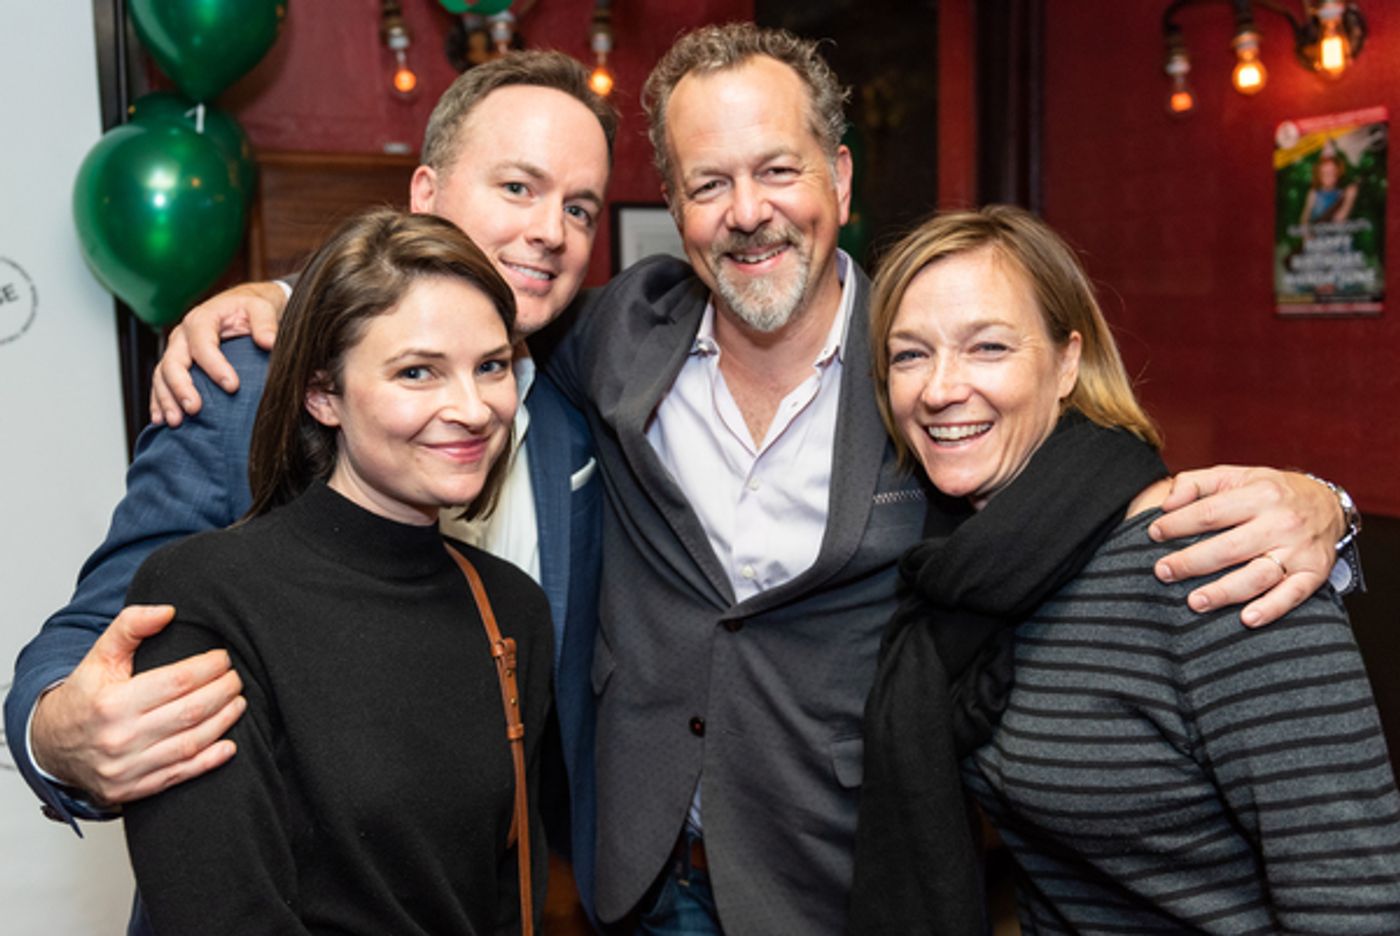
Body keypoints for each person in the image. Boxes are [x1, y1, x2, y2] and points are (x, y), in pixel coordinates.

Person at [119, 24, 1351, 935]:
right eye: (706, 183)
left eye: (776, 171)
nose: (745, 213)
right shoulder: (614, 338)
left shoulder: (920, 372)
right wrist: (282, 303)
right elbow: (442, 315)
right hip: (633, 873)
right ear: (675, 209)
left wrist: (1323, 511)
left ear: (841, 183)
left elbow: (1080, 488)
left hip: (844, 882)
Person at [4, 50, 613, 930]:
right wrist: (58, 734)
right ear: (426, 192)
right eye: (518, 187)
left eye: (581, 207)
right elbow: (109, 626)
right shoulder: (245, 375)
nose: (551, 229)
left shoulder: (573, 403)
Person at [857, 205, 1400, 934]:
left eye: (987, 347)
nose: (939, 388)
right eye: (909, 354)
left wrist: (1332, 504)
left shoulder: (1216, 562)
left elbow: (1355, 903)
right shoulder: (965, 575)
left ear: (1067, 363)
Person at [121, 208, 552, 934]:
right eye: (418, 372)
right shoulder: (205, 595)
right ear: (324, 394)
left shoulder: (510, 608)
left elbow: (507, 899)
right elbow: (221, 913)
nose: (474, 409)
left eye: (492, 366)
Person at [1300, 150, 1359, 233]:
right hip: (1316, 238)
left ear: (1338, 173)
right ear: (1319, 174)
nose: (1329, 176)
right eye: (1325, 173)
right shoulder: (1314, 193)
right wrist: (1306, 235)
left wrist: (1349, 199)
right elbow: (1305, 217)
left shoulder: (1341, 194)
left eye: (1332, 172)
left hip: (1336, 239)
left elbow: (1339, 219)